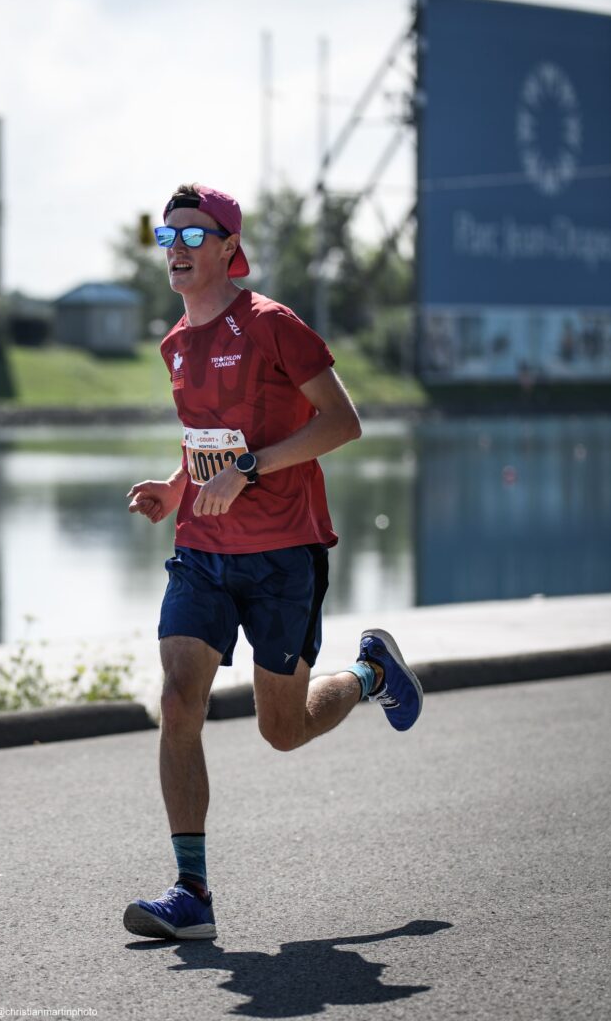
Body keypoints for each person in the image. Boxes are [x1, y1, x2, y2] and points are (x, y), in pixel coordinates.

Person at [123, 183, 422, 941]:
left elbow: (342, 423)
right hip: (202, 549)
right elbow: (206, 439)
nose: (178, 249)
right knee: (178, 696)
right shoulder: (174, 345)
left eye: (194, 236)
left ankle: (369, 675)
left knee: (280, 731)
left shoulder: (272, 326)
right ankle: (191, 893)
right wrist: (174, 484)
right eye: (168, 237)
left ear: (229, 247)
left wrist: (250, 469)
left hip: (284, 553)